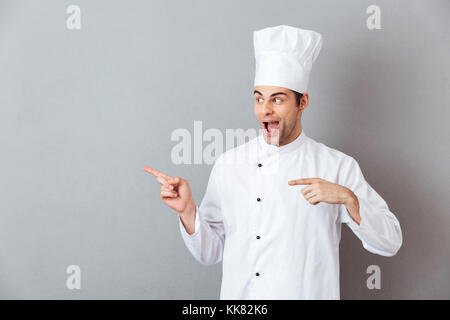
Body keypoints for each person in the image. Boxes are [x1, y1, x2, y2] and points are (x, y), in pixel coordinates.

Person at [144, 25, 402, 299]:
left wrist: (350, 199)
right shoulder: (228, 165)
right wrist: (188, 211)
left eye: (277, 99)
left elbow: (390, 243)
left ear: (302, 102)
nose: (265, 109)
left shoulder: (337, 166)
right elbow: (210, 253)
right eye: (259, 99)